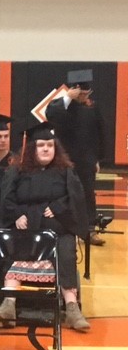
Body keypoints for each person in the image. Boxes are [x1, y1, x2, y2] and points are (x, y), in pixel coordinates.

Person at [0, 122, 91, 332]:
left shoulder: (65, 171)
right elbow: (6, 200)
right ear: (32, 149)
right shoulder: (17, 170)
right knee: (14, 245)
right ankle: (8, 304)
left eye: (50, 145)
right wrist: (17, 214)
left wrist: (58, 207)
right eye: (41, 145)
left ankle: (72, 308)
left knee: (66, 248)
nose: (46, 149)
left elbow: (77, 199)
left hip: (56, 230)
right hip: (26, 229)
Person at [46, 69, 106, 246]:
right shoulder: (61, 106)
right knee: (62, 193)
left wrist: (98, 159)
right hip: (65, 159)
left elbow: (101, 134)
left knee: (87, 194)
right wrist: (68, 97)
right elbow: (51, 115)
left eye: (87, 94)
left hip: (87, 159)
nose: (84, 97)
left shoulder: (93, 108)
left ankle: (89, 230)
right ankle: (62, 227)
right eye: (81, 94)